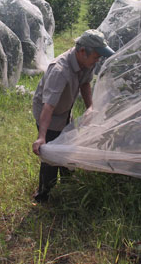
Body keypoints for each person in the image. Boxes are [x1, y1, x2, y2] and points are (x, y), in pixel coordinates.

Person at [31, 29, 115, 203]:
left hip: (64, 109)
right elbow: (48, 106)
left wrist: (90, 107)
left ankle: (68, 183)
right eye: (96, 56)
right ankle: (43, 195)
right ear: (82, 52)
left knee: (69, 147)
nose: (98, 60)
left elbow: (85, 84)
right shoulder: (60, 70)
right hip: (50, 114)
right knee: (51, 154)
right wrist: (41, 137)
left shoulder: (86, 64)